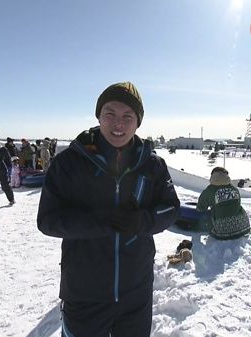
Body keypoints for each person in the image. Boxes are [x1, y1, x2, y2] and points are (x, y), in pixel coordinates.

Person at [37, 81, 180, 337]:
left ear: (138, 122)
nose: (118, 124)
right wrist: (101, 221)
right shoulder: (69, 163)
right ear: (98, 116)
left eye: (128, 116)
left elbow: (170, 209)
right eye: (110, 114)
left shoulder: (152, 165)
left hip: (136, 294)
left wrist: (141, 221)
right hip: (83, 294)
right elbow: (48, 220)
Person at [197, 166, 251, 240]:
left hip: (222, 232)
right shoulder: (234, 188)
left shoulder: (210, 190)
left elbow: (201, 207)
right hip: (244, 227)